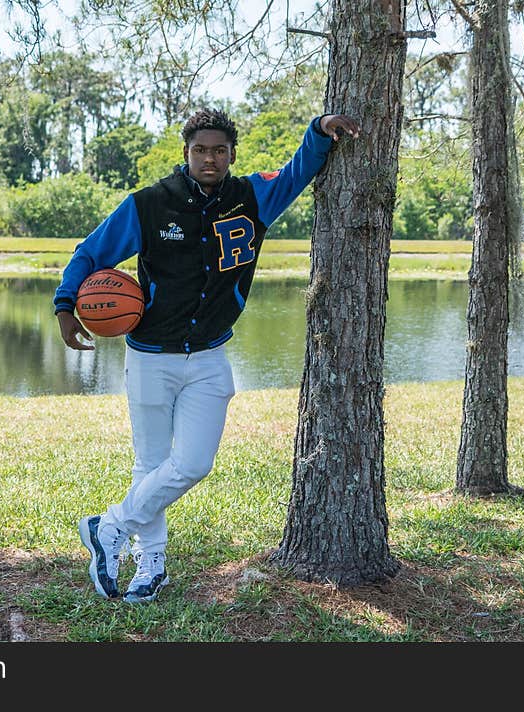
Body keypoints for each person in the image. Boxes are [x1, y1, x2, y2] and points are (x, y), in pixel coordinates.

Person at [53, 108, 359, 603]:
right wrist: (66, 305)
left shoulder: (252, 198)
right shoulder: (150, 204)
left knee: (193, 463)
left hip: (210, 357)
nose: (210, 158)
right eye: (201, 150)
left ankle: (108, 527)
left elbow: (300, 170)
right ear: (186, 153)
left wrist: (319, 128)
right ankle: (151, 565)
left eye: (219, 150)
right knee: (150, 464)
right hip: (151, 355)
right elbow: (91, 252)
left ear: (232, 155)